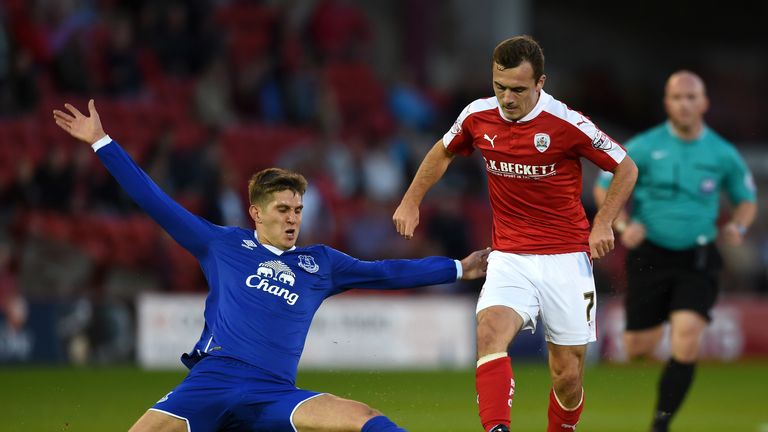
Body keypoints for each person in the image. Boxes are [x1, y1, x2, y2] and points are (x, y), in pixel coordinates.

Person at [53, 100, 491, 432]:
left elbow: (387, 272)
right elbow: (154, 200)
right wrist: (101, 142)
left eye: (298, 209)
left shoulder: (320, 263)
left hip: (274, 392)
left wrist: (459, 268)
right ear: (256, 213)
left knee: (364, 418)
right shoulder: (221, 244)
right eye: (282, 209)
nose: (293, 218)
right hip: (213, 380)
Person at [393, 35, 638, 432]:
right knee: (489, 331)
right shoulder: (477, 116)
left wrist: (604, 222)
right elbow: (443, 151)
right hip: (510, 257)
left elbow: (625, 167)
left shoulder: (566, 123)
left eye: (518, 90)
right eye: (499, 87)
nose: (507, 98)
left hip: (566, 259)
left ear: (541, 83)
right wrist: (411, 200)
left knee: (568, 375)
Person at [593, 70, 757, 432]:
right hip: (650, 256)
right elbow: (604, 186)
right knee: (637, 345)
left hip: (697, 257)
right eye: (677, 98)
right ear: (667, 103)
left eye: (691, 97)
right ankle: (659, 326)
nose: (684, 104)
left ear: (704, 103)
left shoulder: (722, 153)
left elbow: (746, 199)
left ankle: (660, 424)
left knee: (685, 337)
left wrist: (738, 226)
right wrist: (621, 224)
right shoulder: (643, 146)